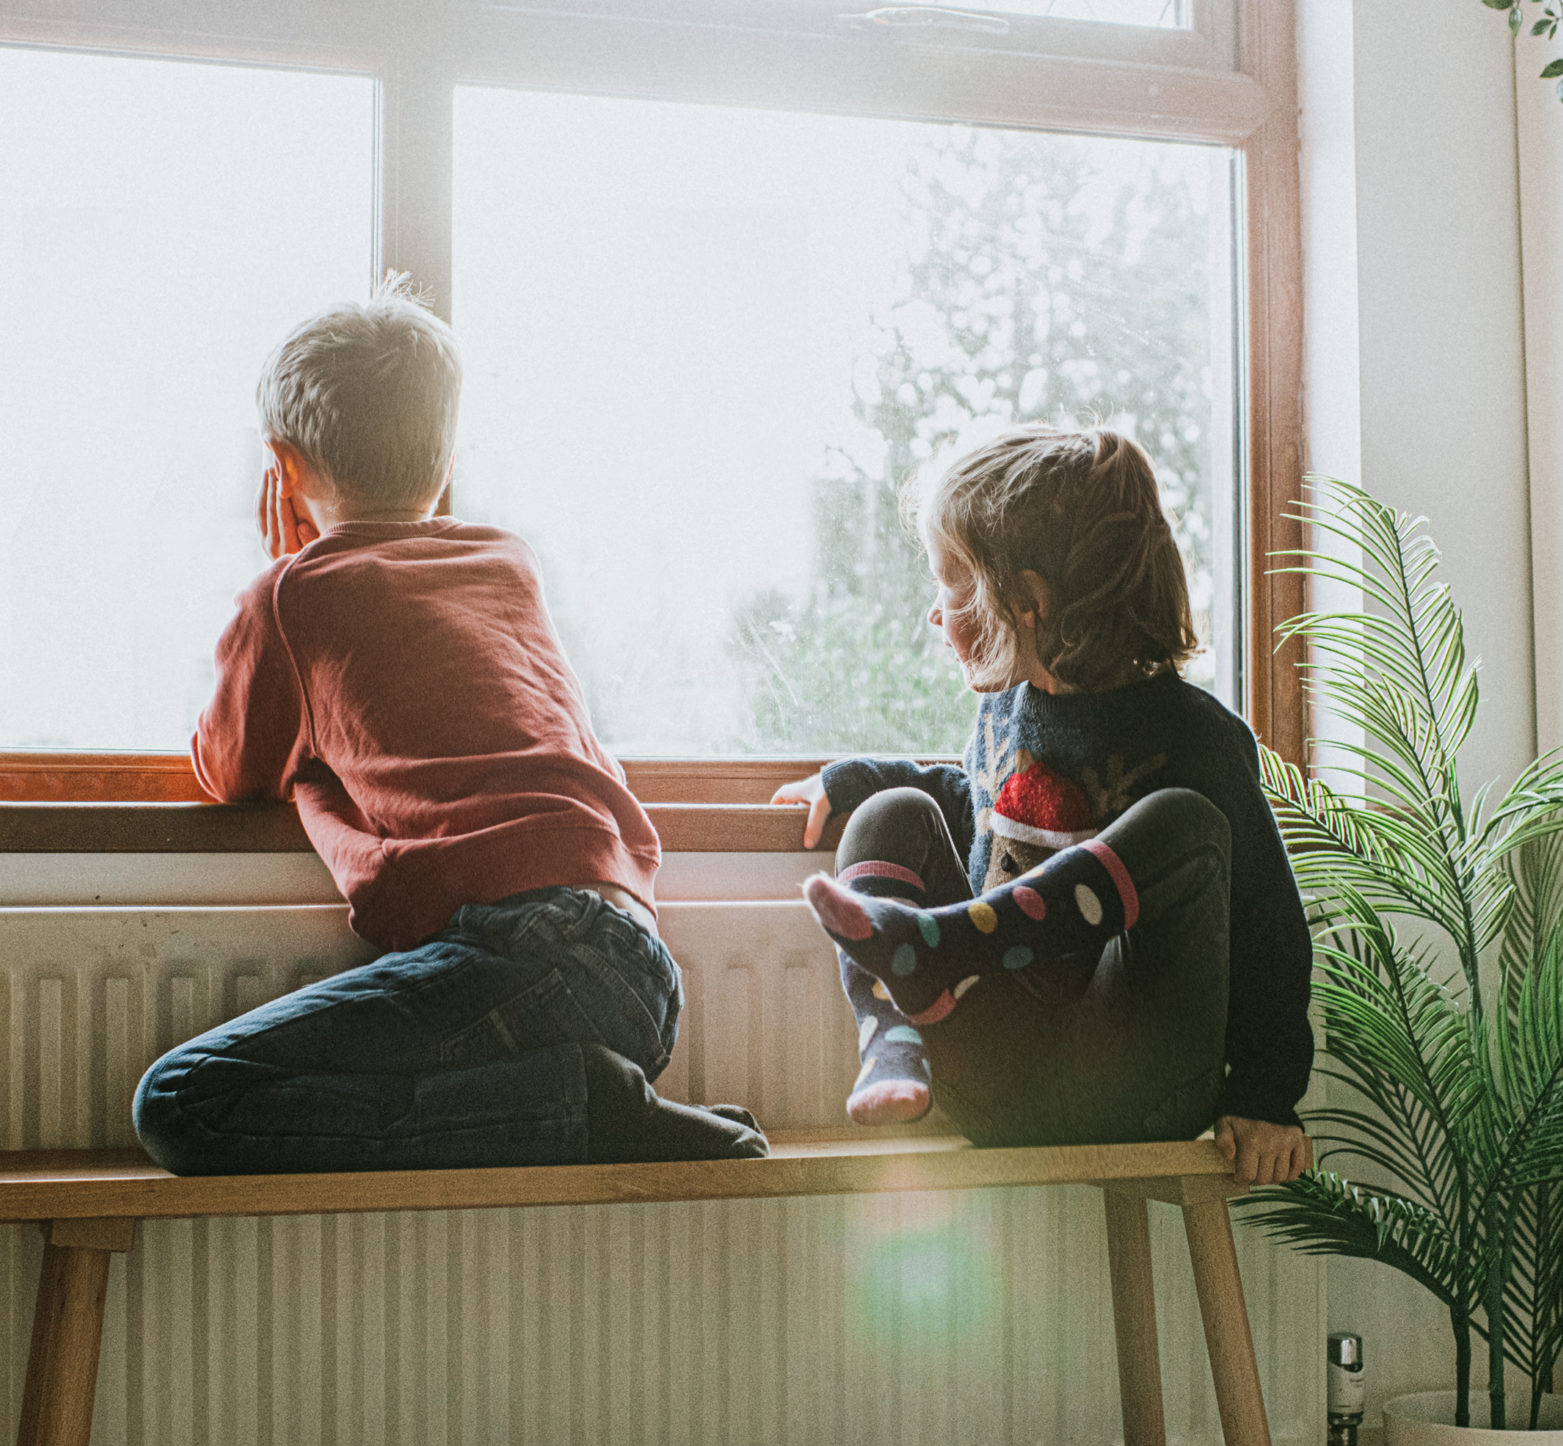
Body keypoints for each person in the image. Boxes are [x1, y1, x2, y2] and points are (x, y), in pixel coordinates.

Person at [132, 280, 766, 1176]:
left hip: (531, 952)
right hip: (638, 962)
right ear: (448, 456)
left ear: (282, 466)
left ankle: (578, 1108)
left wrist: (287, 581)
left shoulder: (293, 596)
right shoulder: (507, 562)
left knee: (180, 1100)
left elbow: (227, 768)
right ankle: (578, 1098)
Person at [773, 425, 1315, 1186]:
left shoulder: (1195, 736)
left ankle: (944, 947)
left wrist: (1267, 1095)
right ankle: (895, 1034)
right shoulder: (1003, 717)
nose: (936, 612)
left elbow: (1269, 930)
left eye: (951, 584)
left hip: (1137, 1081)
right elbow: (977, 805)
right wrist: (852, 779)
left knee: (1185, 826)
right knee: (888, 812)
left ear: (1027, 601)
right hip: (990, 1079)